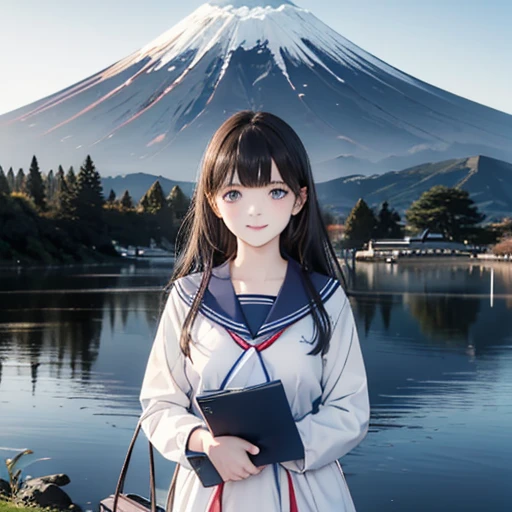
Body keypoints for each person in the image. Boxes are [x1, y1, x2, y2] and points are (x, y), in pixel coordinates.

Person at [139, 111, 370, 512]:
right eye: (234, 194)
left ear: (300, 199)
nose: (254, 211)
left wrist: (284, 445)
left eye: (275, 192)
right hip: (208, 494)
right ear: (212, 201)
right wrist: (205, 443)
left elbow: (350, 410)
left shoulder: (325, 298)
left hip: (307, 492)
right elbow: (159, 405)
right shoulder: (188, 297)